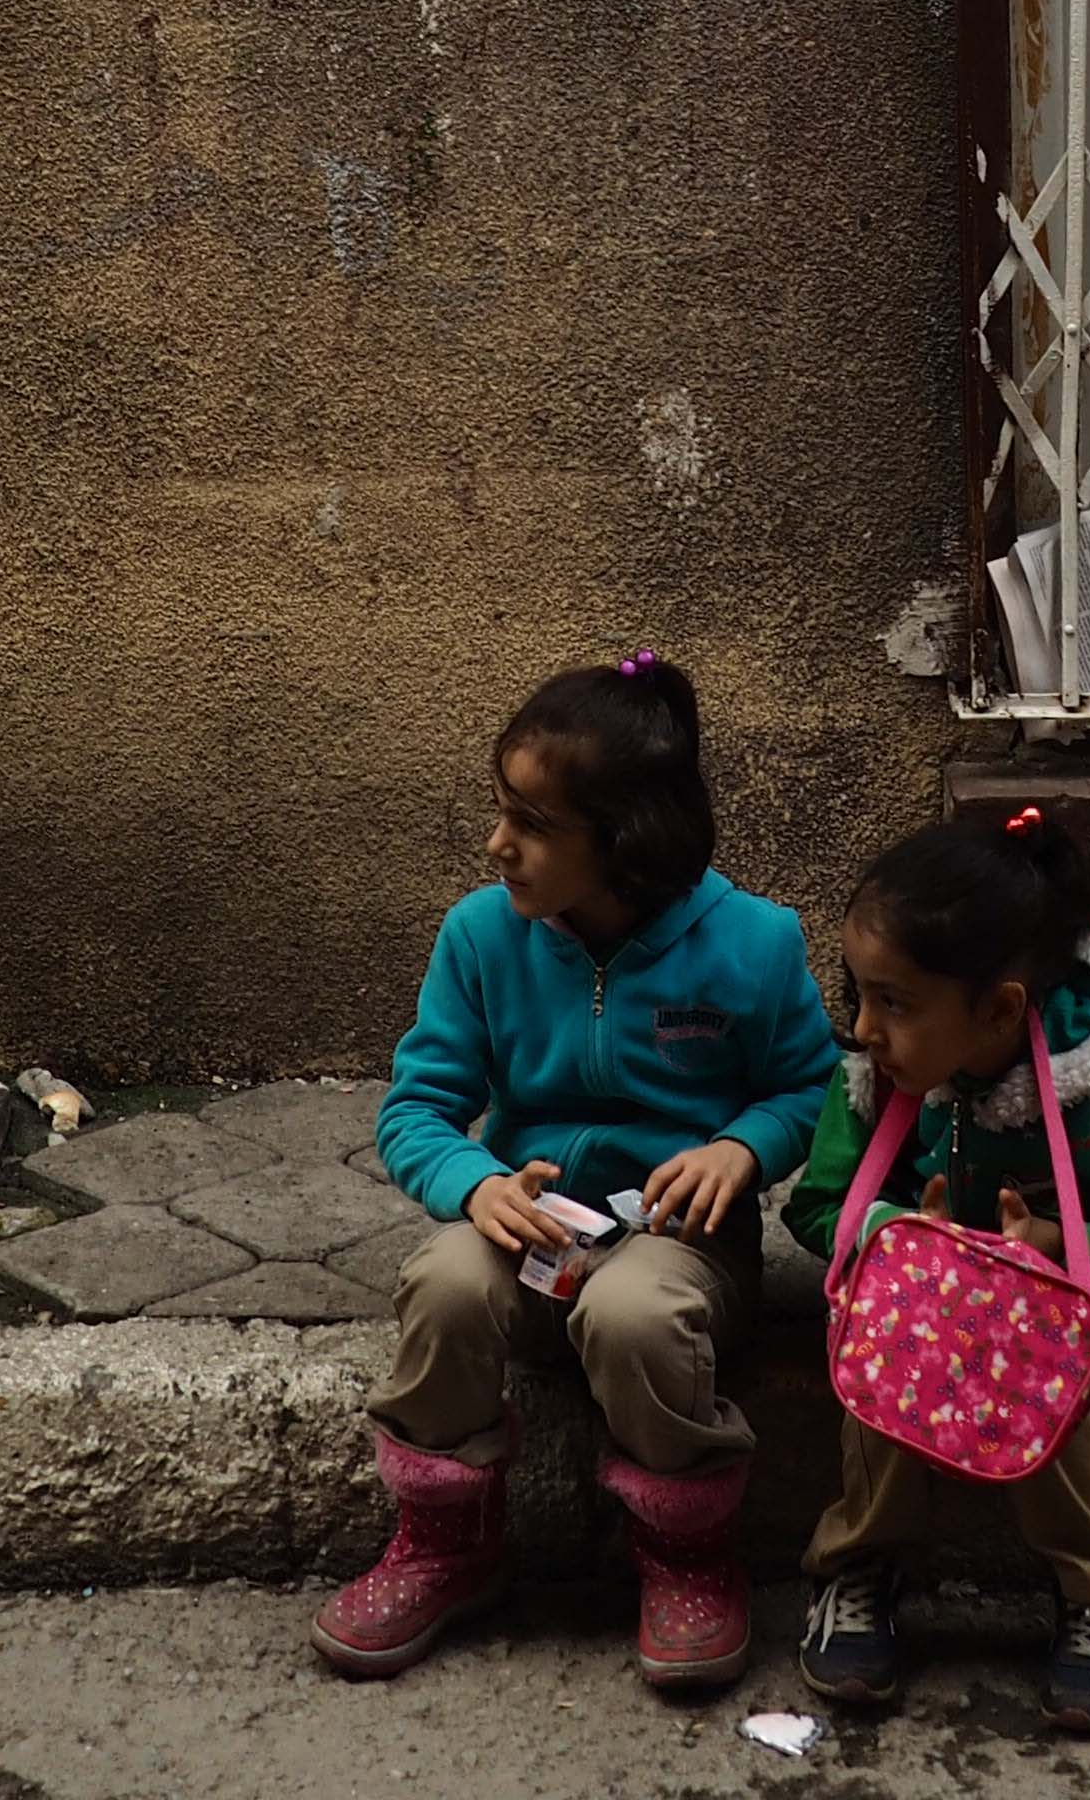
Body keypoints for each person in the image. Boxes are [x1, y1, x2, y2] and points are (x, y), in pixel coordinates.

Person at [319, 655, 839, 1691]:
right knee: (443, 1281)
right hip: (531, 1239)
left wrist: (741, 1148)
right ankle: (445, 1541)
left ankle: (687, 1554)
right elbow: (416, 1108)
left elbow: (812, 1093)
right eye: (498, 808)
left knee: (638, 1311)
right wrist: (476, 1185)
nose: (496, 842)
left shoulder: (754, 943)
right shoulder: (480, 938)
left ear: (627, 843)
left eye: (532, 822)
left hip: (678, 1257)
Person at [784, 804, 1090, 1734]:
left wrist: (1074, 1251)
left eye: (893, 1002)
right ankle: (857, 1566)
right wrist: (899, 1233)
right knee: (894, 1324)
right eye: (859, 993)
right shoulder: (878, 1068)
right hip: (923, 1286)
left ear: (999, 1011)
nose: (863, 1029)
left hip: (1072, 1294)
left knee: (1030, 1343)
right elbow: (818, 1207)